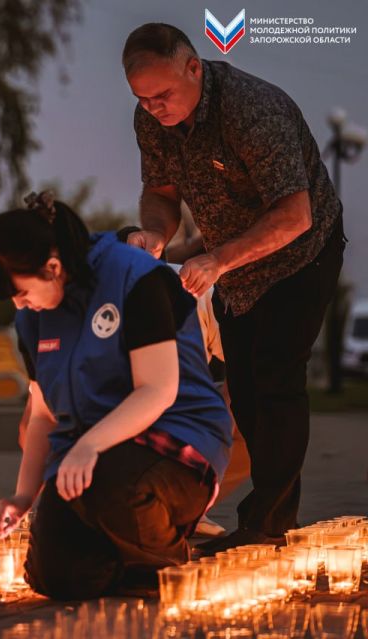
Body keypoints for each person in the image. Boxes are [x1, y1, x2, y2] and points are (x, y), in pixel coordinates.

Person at [122, 23, 344, 551]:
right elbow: (160, 191)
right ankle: (264, 520)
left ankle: (268, 521)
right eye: (143, 99)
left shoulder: (251, 110)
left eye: (163, 95)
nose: (154, 108)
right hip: (233, 266)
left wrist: (217, 258)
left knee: (275, 378)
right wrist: (155, 231)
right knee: (243, 387)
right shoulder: (151, 120)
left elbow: (295, 215)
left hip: (300, 255)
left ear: (193, 67)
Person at [0, 193, 231, 600]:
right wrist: (24, 496)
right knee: (54, 577)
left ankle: (165, 566)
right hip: (92, 457)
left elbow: (158, 389)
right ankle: (128, 557)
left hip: (178, 441)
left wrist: (89, 446)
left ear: (54, 268)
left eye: (22, 291)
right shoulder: (33, 319)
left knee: (113, 483)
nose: (19, 304)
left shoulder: (133, 276)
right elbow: (43, 415)